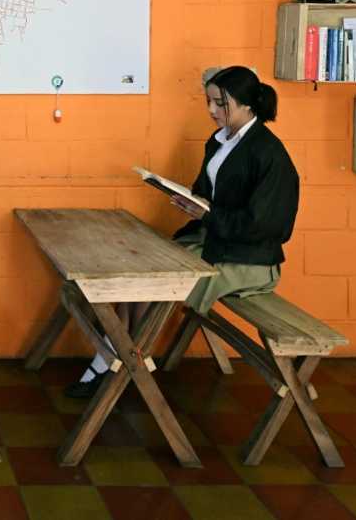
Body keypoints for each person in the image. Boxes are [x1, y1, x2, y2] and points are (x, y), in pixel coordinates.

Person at [66, 66, 300, 398]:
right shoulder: (219, 142)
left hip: (250, 261)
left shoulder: (269, 154)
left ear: (246, 104)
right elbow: (209, 195)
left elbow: (268, 226)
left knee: (157, 285)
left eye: (220, 103)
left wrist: (209, 215)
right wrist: (193, 203)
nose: (211, 111)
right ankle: (118, 362)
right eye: (209, 102)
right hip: (215, 244)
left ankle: (115, 368)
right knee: (143, 277)